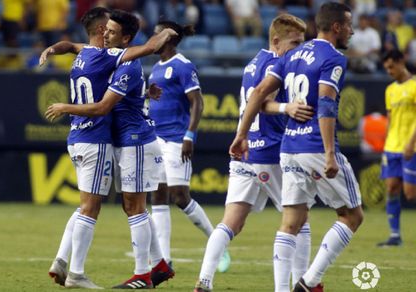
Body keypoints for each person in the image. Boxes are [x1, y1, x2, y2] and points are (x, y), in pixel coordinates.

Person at [229, 2, 364, 291]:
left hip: (288, 148)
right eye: (350, 26)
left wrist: (241, 133)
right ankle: (309, 282)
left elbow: (258, 95)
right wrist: (330, 154)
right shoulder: (334, 58)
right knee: (352, 215)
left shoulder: (291, 56)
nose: (352, 31)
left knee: (291, 221)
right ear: (337, 27)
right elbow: (326, 104)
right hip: (315, 145)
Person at [40, 7, 177, 289]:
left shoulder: (115, 59)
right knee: (123, 207)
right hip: (115, 140)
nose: (106, 35)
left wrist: (169, 31)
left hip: (135, 140)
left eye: (112, 32)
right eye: (105, 30)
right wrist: (143, 91)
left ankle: (142, 275)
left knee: (130, 206)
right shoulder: (107, 56)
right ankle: (158, 265)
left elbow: (106, 105)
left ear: (124, 38)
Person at [194, 13, 313, 292]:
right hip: (270, 152)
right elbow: (262, 102)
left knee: (231, 222)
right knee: (299, 219)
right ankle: (301, 283)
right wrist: (288, 108)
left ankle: (204, 280)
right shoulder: (278, 64)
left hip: (246, 152)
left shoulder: (252, 63)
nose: (299, 48)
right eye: (295, 42)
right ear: (276, 41)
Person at [147, 19, 230, 273]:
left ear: (168, 38)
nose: (152, 39)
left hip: (176, 139)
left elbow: (197, 103)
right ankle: (164, 260)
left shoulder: (183, 66)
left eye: (156, 35)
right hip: (156, 139)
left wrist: (189, 137)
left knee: (180, 197)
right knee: (158, 196)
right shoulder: (154, 69)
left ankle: (218, 244)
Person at [378, 49, 416, 247]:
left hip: (412, 147)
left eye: (392, 66)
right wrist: (385, 143)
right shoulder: (390, 90)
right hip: (392, 147)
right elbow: (391, 120)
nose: (389, 71)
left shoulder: (414, 85)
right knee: (392, 188)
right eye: (386, 68)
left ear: (402, 61)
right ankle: (395, 235)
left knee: (410, 193)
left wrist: (411, 143)